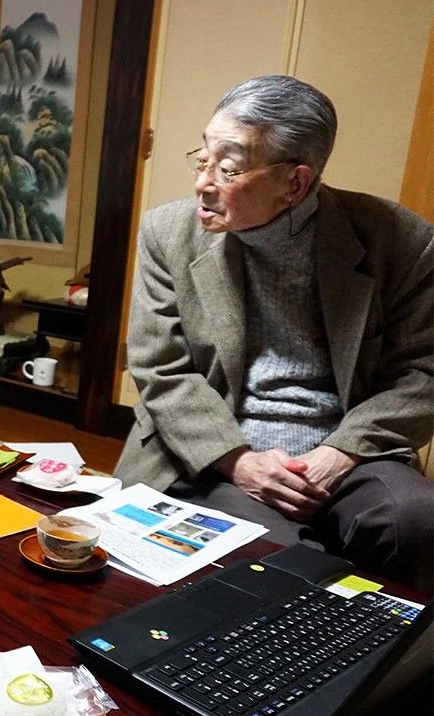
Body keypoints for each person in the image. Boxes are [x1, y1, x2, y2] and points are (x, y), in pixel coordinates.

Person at [116, 75, 433, 592]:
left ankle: (391, 665)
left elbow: (422, 375)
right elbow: (160, 367)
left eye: (230, 167)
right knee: (273, 559)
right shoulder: (167, 232)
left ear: (295, 184)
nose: (203, 183)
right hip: (220, 448)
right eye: (203, 157)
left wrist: (340, 453)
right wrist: (239, 461)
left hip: (350, 448)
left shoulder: (401, 241)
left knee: (415, 521)